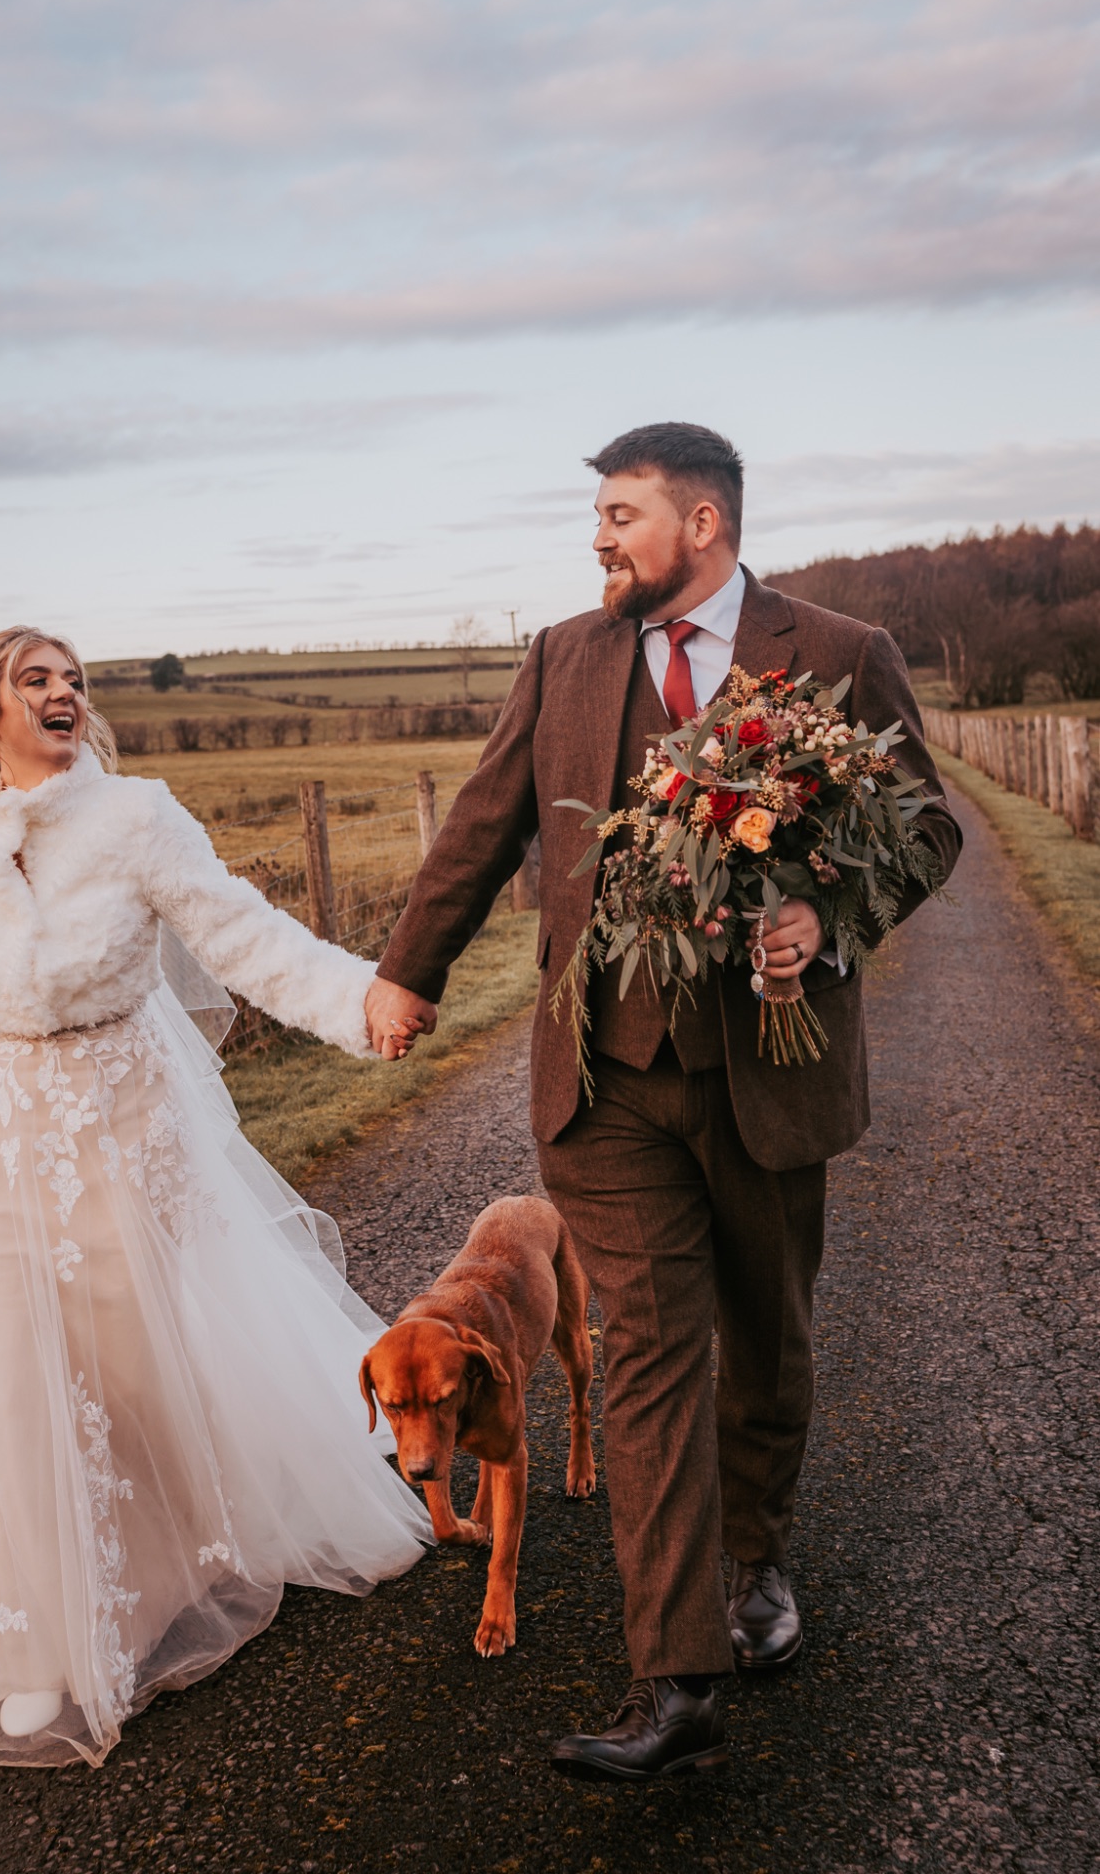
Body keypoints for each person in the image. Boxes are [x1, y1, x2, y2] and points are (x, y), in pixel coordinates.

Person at [366, 422, 962, 1779]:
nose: (598, 538)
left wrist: (826, 917)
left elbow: (926, 825)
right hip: (608, 1077)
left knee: (766, 1338)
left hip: (773, 1073)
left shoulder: (842, 650)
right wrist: (409, 969)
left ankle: (756, 1559)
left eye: (620, 514)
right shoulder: (562, 656)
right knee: (642, 1356)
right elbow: (484, 819)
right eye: (598, 516)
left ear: (702, 522)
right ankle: (677, 1676)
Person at [0, 625, 430, 1769]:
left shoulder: (138, 817)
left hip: (124, 1120)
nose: (62, 693)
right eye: (35, 679)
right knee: (8, 1376)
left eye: (73, 680)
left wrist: (360, 1001)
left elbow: (244, 935)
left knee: (127, 1363)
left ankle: (156, 1581)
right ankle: (35, 1643)